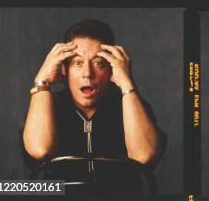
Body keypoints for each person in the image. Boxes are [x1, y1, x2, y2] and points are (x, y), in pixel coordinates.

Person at [23, 19, 164, 166]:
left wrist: (127, 85)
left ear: (111, 69)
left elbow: (145, 156)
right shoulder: (46, 105)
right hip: (62, 190)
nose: (88, 73)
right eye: (77, 63)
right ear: (65, 69)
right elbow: (40, 151)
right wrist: (41, 82)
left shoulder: (132, 105)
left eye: (98, 63)